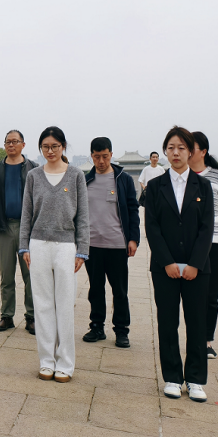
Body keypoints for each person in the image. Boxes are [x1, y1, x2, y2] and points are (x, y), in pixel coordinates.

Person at [146, 126, 213, 402]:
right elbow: (152, 227)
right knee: (167, 322)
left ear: (192, 151)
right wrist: (167, 262)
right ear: (165, 151)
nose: (176, 152)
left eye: (182, 148)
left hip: (198, 268)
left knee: (197, 322)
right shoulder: (155, 186)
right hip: (165, 268)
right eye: (171, 147)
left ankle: (195, 379)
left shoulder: (203, 186)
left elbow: (207, 228)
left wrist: (195, 263)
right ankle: (173, 377)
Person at [20, 126, 89, 383]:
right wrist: (24, 246)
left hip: (66, 246)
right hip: (38, 244)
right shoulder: (34, 176)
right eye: (46, 147)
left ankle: (66, 363)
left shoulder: (76, 175)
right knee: (42, 305)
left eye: (55, 146)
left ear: (63, 147)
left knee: (65, 304)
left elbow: (83, 216)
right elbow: (26, 213)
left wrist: (82, 249)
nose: (50, 151)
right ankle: (46, 361)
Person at [83, 137, 140, 348]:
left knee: (120, 291)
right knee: (95, 289)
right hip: (92, 245)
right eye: (97, 157)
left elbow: (133, 209)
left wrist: (133, 238)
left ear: (111, 154)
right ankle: (97, 327)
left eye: (105, 156)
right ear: (91, 156)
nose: (101, 161)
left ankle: (122, 330)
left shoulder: (123, 179)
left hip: (117, 244)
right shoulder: (85, 180)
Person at [0, 130, 38, 334]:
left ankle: (32, 317)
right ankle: (7, 316)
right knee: (6, 275)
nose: (11, 145)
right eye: (8, 142)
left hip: (28, 229)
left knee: (30, 275)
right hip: (5, 226)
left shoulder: (34, 168)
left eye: (15, 141)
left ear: (23, 145)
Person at [190, 132, 218, 361]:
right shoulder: (181, 176)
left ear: (203, 152)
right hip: (188, 242)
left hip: (215, 241)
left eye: (191, 148)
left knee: (211, 295)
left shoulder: (215, 176)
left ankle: (206, 340)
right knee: (191, 294)